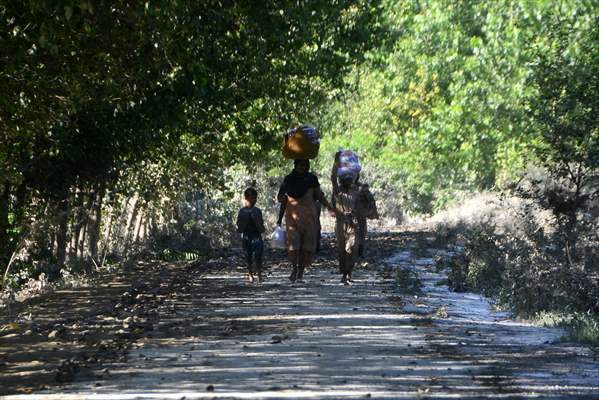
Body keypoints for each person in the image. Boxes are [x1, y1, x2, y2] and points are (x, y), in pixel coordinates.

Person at [277, 159, 334, 283]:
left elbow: (319, 195)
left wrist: (329, 207)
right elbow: (281, 199)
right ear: (296, 165)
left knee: (306, 246)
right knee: (293, 244)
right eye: (302, 165)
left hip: (309, 218)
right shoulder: (288, 180)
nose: (305, 167)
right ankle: (294, 268)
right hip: (292, 218)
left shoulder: (311, 179)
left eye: (307, 165)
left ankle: (301, 273)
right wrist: (279, 219)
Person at [331, 154, 367, 284]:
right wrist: (336, 163)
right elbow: (332, 179)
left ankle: (349, 274)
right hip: (340, 224)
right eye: (344, 179)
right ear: (341, 180)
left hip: (353, 224)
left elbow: (362, 207)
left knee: (351, 249)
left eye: (349, 179)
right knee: (342, 250)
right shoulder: (337, 192)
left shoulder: (357, 191)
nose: (347, 180)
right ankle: (344, 274)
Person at [236, 187, 266, 282]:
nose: (254, 200)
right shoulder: (242, 211)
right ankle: (250, 274)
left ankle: (260, 274)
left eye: (255, 198)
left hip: (256, 235)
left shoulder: (257, 211)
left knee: (258, 255)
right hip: (246, 235)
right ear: (246, 198)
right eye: (252, 198)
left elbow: (261, 224)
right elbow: (239, 225)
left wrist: (260, 226)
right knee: (248, 255)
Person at [355, 174, 379, 257]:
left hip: (360, 215)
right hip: (349, 215)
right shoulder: (344, 187)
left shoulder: (363, 188)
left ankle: (359, 253)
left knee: (361, 233)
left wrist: (368, 211)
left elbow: (371, 201)